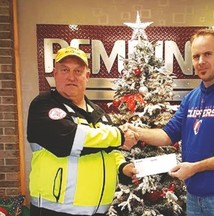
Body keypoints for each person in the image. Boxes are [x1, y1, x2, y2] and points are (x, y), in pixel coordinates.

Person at [128, 29, 214, 216]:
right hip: (194, 198)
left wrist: (195, 167)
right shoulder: (192, 98)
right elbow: (167, 135)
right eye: (196, 56)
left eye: (207, 54)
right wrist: (135, 131)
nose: (201, 62)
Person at [27, 46, 137, 216]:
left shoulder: (98, 113)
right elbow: (69, 140)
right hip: (55, 210)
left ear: (87, 76)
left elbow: (109, 151)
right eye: (65, 70)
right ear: (55, 74)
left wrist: (122, 167)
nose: (71, 76)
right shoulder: (44, 105)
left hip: (99, 210)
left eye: (78, 71)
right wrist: (119, 135)